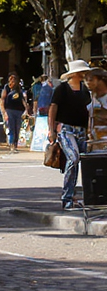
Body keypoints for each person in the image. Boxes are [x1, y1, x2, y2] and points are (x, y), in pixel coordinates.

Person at [50, 60, 94, 210]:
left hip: (82, 130)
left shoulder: (85, 90)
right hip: (66, 129)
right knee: (73, 158)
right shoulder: (61, 89)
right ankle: (66, 197)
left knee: (84, 161)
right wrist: (52, 130)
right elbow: (53, 109)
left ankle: (82, 195)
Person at [0, 73, 30, 153]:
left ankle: (15, 144)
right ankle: (12, 145)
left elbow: (23, 100)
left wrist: (26, 109)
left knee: (17, 128)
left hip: (18, 110)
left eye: (14, 79)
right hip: (9, 110)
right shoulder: (6, 88)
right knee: (11, 128)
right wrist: (4, 112)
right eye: (11, 79)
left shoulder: (19, 89)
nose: (13, 81)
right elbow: (2, 99)